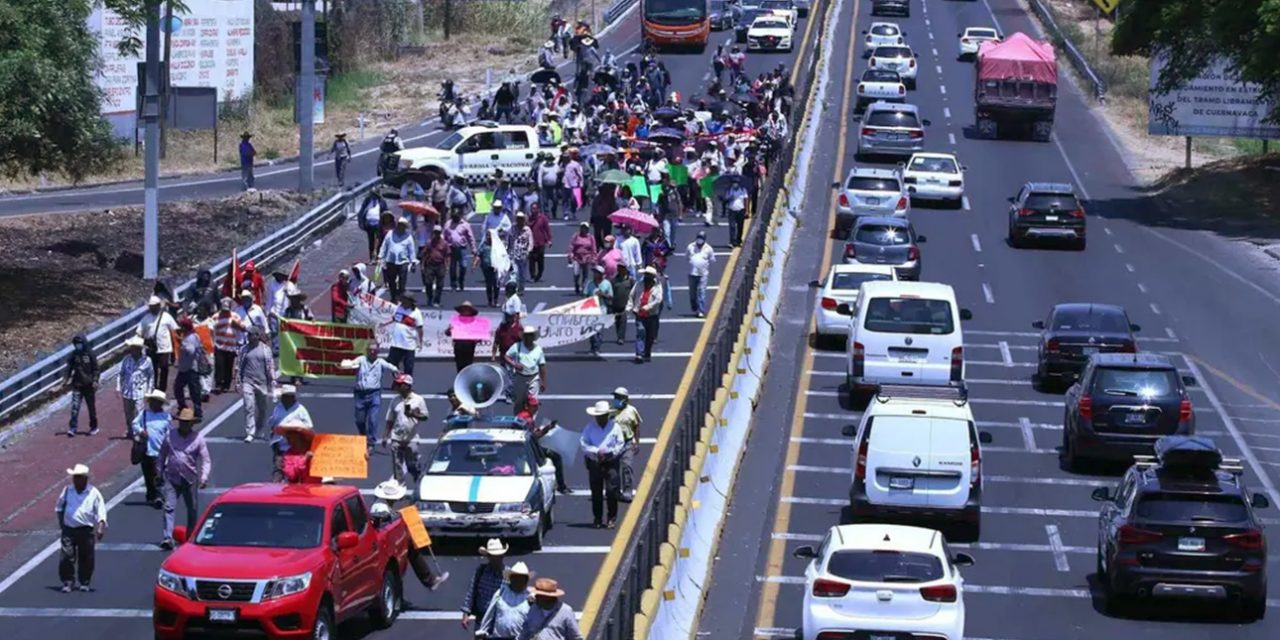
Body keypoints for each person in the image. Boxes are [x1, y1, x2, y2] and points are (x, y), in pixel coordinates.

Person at [369, 481, 448, 590]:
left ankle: (429, 580)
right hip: (386, 541)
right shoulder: (380, 508)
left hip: (389, 538)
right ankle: (429, 580)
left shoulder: (383, 504)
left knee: (409, 552)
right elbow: (383, 522)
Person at [157, 407, 210, 549]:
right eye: (182, 422)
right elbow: (162, 455)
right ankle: (168, 537)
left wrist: (204, 477)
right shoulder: (170, 435)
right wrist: (159, 472)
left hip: (189, 478)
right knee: (168, 507)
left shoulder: (198, 438)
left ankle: (191, 535)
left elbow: (205, 460)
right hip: (172, 477)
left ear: (191, 424)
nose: (184, 425)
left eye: (187, 423)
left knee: (192, 508)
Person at [55, 464, 107, 593]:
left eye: (78, 477)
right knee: (66, 556)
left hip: (85, 530)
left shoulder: (93, 493)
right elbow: (59, 507)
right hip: (69, 529)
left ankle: (84, 581)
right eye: (74, 477)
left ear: (85, 479)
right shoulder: (67, 490)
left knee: (86, 557)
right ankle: (68, 581)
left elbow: (101, 511)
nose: (76, 480)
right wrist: (62, 524)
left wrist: (100, 527)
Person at [339, 342, 398, 452]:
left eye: (374, 350)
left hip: (374, 394)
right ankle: (363, 436)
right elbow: (351, 363)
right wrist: (346, 365)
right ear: (366, 350)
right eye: (370, 350)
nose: (372, 352)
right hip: (360, 394)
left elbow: (391, 367)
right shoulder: (361, 359)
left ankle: (371, 443)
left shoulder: (380, 362)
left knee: (373, 420)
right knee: (359, 420)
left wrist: (396, 371)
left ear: (378, 352)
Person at [581, 401, 625, 528]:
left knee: (612, 491)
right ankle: (598, 518)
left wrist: (611, 453)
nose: (600, 418)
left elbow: (620, 443)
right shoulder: (589, 428)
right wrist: (596, 452)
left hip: (611, 462)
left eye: (602, 416)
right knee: (596, 492)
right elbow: (583, 444)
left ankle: (611, 517)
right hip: (595, 462)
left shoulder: (615, 427)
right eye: (598, 416)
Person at [384, 373, 427, 488]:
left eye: (400, 384)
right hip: (396, 437)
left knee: (411, 464)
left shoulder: (418, 400)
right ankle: (400, 485)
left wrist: (414, 414)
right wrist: (385, 436)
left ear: (407, 386)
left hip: (411, 437)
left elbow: (425, 416)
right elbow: (390, 419)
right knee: (397, 464)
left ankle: (416, 475)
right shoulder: (394, 401)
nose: (397, 387)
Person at [235, 327, 276, 443]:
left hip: (262, 382)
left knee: (262, 409)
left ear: (257, 336)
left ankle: (259, 428)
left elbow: (270, 365)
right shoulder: (244, 349)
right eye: (248, 334)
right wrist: (238, 382)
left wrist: (272, 379)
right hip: (248, 381)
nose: (249, 336)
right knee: (249, 406)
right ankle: (250, 432)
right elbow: (239, 365)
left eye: (251, 334)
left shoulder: (266, 350)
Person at [132, 389, 170, 506]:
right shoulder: (144, 414)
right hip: (146, 449)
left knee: (158, 474)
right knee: (148, 474)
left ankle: (159, 496)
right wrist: (141, 431)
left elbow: (170, 432)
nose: (153, 404)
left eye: (156, 402)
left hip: (159, 451)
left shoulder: (166, 417)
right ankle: (151, 495)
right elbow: (134, 424)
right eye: (152, 401)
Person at [462, 538, 509, 631]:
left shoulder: (509, 575)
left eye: (498, 556)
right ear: (488, 557)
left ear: (502, 556)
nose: (495, 559)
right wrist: (466, 613)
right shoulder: (481, 571)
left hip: (499, 621)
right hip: (482, 619)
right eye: (493, 556)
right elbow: (472, 591)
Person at [267, 385, 312, 482]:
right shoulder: (278, 408)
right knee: (278, 468)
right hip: (279, 444)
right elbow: (273, 422)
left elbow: (309, 426)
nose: (284, 399)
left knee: (295, 471)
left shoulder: (301, 410)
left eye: (287, 397)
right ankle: (277, 487)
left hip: (295, 447)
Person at [479, 561, 533, 640]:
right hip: (500, 637)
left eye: (522, 579)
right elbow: (489, 614)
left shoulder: (530, 597)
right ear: (511, 578)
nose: (519, 581)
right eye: (517, 578)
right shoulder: (501, 593)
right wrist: (482, 631)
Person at [138, 295, 179, 391]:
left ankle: (162, 388)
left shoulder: (166, 317)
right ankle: (153, 387)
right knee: (153, 369)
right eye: (151, 306)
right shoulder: (146, 318)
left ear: (158, 306)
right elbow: (139, 331)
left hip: (164, 347)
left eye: (154, 306)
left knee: (164, 367)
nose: (152, 308)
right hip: (151, 348)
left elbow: (175, 329)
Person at [63, 334, 101, 437]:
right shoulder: (74, 355)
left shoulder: (90, 354)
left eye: (79, 343)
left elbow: (96, 369)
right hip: (77, 384)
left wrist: (95, 380)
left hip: (89, 385)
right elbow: (68, 369)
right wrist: (65, 381)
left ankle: (93, 426)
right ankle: (73, 427)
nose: (78, 345)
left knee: (91, 408)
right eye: (76, 344)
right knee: (75, 407)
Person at [117, 336, 154, 438]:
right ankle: (130, 431)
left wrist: (149, 390)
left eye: (136, 348)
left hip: (140, 391)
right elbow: (121, 374)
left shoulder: (147, 360)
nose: (133, 350)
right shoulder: (126, 360)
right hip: (127, 391)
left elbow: (151, 376)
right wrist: (118, 388)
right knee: (128, 413)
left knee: (139, 413)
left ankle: (138, 432)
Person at [610, 388, 643, 502]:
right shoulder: (611, 411)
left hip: (627, 442)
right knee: (613, 470)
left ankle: (627, 493)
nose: (616, 400)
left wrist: (637, 442)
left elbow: (636, 426)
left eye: (618, 398)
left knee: (627, 467)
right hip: (613, 444)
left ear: (625, 399)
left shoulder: (632, 411)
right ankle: (615, 492)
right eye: (615, 397)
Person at [504, 326, 547, 412]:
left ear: (533, 337)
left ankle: (531, 422)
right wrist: (514, 364)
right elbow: (506, 356)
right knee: (519, 402)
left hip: (533, 377)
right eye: (526, 335)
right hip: (520, 377)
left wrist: (543, 382)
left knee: (533, 402)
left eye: (530, 335)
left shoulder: (538, 349)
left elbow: (542, 366)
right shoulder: (517, 346)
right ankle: (517, 421)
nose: (528, 338)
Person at [627, 267, 664, 363]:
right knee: (641, 333)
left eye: (648, 275)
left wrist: (648, 307)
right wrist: (629, 307)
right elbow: (632, 296)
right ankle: (639, 354)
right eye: (645, 275)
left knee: (650, 336)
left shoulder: (657, 287)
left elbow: (658, 300)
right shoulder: (638, 285)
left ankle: (647, 353)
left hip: (652, 315)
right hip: (640, 314)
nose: (646, 277)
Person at [173, 318, 206, 419]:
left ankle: (197, 410)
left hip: (190, 368)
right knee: (179, 388)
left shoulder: (190, 338)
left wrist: (182, 343)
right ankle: (184, 408)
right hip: (184, 368)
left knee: (193, 390)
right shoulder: (191, 336)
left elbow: (190, 351)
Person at [379, 217, 418, 302]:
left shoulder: (408, 237)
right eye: (399, 225)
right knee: (391, 280)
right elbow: (384, 246)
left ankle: (401, 297)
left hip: (403, 261)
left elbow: (411, 250)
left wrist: (413, 262)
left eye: (402, 225)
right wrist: (381, 257)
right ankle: (393, 296)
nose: (400, 227)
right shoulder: (390, 234)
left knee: (402, 281)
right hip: (391, 261)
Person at [386, 294, 425, 377]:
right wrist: (384, 323)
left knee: (408, 366)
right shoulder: (398, 308)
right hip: (396, 342)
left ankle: (407, 383)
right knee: (392, 363)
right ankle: (398, 378)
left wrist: (420, 342)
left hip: (408, 344)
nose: (402, 302)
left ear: (410, 302)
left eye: (405, 300)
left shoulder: (416, 312)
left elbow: (420, 328)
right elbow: (394, 318)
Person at [445, 301, 484, 372]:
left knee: (468, 365)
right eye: (464, 309)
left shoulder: (474, 322)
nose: (465, 311)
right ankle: (460, 380)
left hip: (469, 347)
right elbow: (447, 333)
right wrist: (450, 329)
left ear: (470, 311)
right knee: (459, 365)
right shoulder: (456, 321)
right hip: (458, 347)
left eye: (467, 310)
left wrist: (477, 338)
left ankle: (467, 380)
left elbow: (480, 338)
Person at [444, 208, 477, 292]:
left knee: (463, 266)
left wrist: (473, 248)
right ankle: (453, 284)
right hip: (451, 248)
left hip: (462, 249)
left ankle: (461, 280)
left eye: (457, 216)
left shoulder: (465, 225)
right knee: (452, 267)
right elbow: (444, 236)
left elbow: (470, 237)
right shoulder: (448, 224)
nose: (455, 218)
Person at [686, 231, 716, 318]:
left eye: (701, 238)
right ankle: (695, 308)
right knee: (692, 293)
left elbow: (712, 260)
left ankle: (701, 310)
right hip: (692, 273)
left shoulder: (709, 249)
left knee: (701, 292)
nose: (699, 240)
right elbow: (687, 257)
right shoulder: (690, 247)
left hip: (703, 274)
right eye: (698, 237)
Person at [584, 266, 612, 356]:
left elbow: (611, 297)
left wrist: (602, 294)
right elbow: (585, 295)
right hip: (591, 309)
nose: (594, 274)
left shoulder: (607, 284)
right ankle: (593, 346)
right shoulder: (590, 284)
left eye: (596, 273)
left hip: (602, 309)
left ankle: (597, 347)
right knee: (591, 329)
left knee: (599, 329)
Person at [419, 226, 450, 307]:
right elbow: (424, 254)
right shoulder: (429, 243)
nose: (436, 234)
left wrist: (447, 265)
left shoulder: (444, 243)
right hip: (430, 265)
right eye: (435, 232)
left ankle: (437, 300)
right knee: (428, 282)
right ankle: (430, 298)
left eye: (438, 232)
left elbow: (447, 255)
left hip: (440, 265)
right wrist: (422, 265)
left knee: (440, 284)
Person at [567, 222, 597, 295]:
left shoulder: (590, 237)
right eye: (582, 227)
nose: (584, 229)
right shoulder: (576, 236)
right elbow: (571, 246)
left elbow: (593, 248)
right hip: (577, 257)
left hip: (587, 258)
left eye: (585, 228)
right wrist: (570, 255)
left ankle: (583, 287)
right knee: (576, 272)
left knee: (585, 274)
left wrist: (593, 258)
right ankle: (576, 284)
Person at [508, 212, 534, 293]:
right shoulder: (512, 228)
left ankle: (521, 287)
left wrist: (528, 251)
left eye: (521, 219)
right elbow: (508, 239)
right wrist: (507, 250)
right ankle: (513, 289)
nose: (519, 220)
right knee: (514, 272)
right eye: (518, 219)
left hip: (523, 255)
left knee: (522, 274)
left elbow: (531, 242)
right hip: (513, 254)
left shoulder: (527, 230)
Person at [359, 191, 389, 260]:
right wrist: (361, 223)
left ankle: (378, 256)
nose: (373, 196)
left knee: (379, 240)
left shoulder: (382, 202)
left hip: (378, 224)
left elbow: (386, 211)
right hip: (369, 224)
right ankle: (371, 257)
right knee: (371, 241)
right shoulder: (367, 201)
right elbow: (362, 211)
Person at [610, 264, 634, 345]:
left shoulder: (631, 281)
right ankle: (619, 336)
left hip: (625, 305)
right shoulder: (613, 281)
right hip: (616, 304)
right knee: (617, 322)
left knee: (623, 321)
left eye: (622, 269)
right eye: (619, 268)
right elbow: (611, 292)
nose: (620, 270)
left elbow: (634, 291)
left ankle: (621, 338)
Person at [528, 204, 553, 282]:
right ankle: (532, 276)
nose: (533, 210)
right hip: (531, 243)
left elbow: (547, 229)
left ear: (538, 209)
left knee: (540, 261)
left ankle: (539, 275)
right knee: (531, 260)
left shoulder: (543, 218)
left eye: (535, 208)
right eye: (532, 208)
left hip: (540, 243)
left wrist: (549, 240)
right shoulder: (529, 218)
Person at [725, 180, 749, 247]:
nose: (734, 184)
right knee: (732, 226)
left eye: (736, 183)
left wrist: (747, 211)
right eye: (733, 183)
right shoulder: (729, 190)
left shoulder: (743, 190)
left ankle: (738, 241)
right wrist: (730, 198)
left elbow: (746, 200)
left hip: (740, 210)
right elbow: (726, 199)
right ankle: (732, 241)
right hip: (732, 210)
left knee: (740, 226)